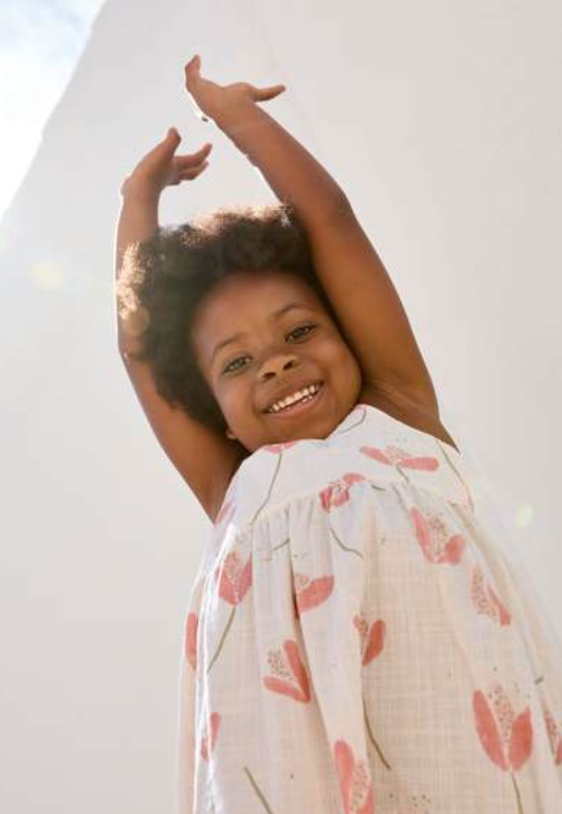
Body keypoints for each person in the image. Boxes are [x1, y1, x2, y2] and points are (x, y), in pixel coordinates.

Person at [114, 55, 562, 814]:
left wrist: (239, 119)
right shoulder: (235, 487)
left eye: (300, 331)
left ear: (351, 334)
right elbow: (139, 347)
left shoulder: (398, 412)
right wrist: (136, 203)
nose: (277, 362)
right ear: (212, 412)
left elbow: (330, 219)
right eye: (238, 363)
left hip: (462, 762)